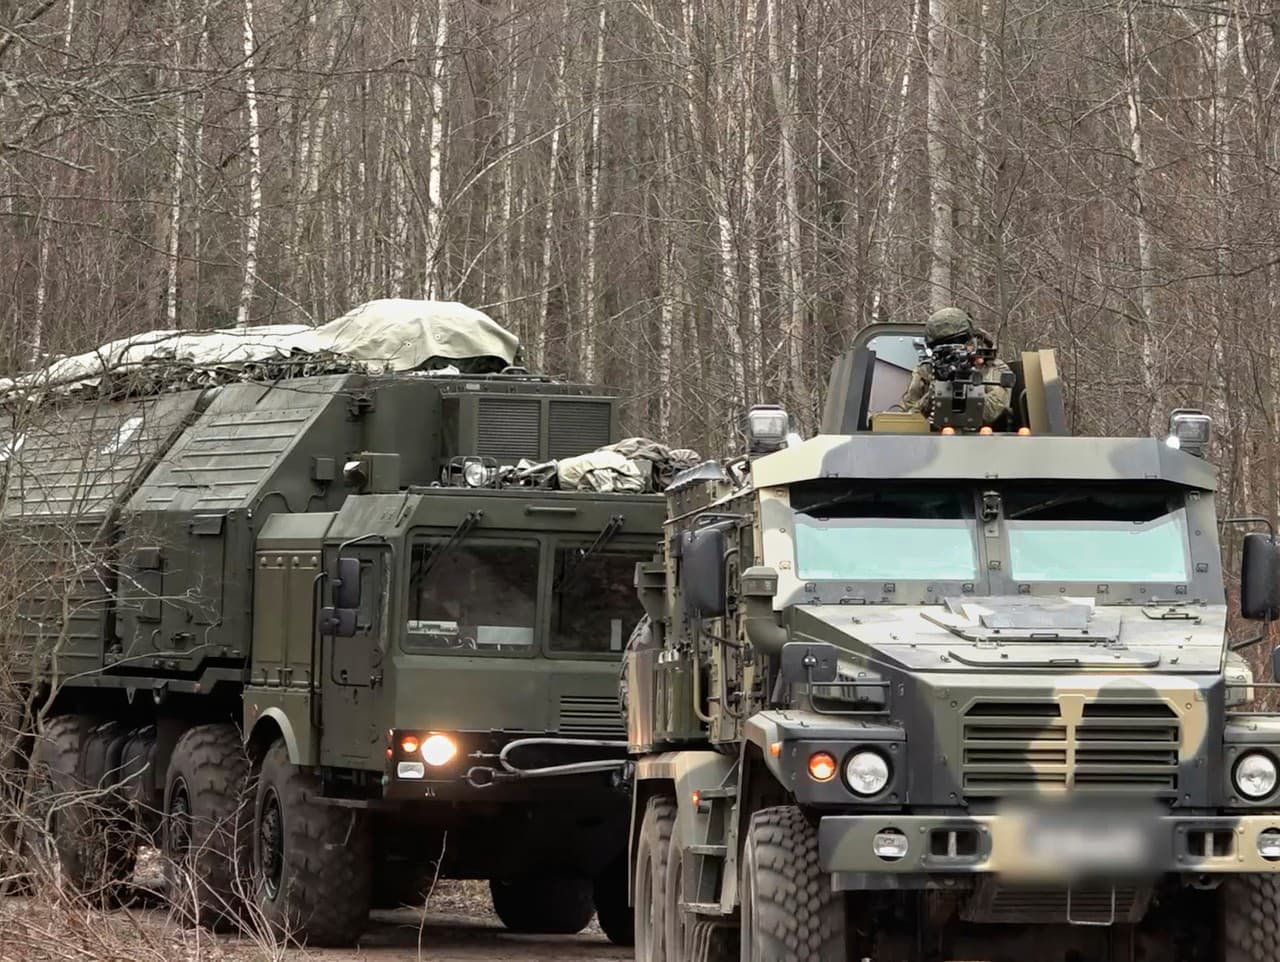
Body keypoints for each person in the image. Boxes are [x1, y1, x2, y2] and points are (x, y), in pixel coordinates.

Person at [901, 307, 1013, 427]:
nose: (952, 352)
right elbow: (908, 417)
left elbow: (991, 412)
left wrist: (963, 386)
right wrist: (932, 395)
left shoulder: (992, 367)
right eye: (943, 347)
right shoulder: (926, 370)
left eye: (959, 342)